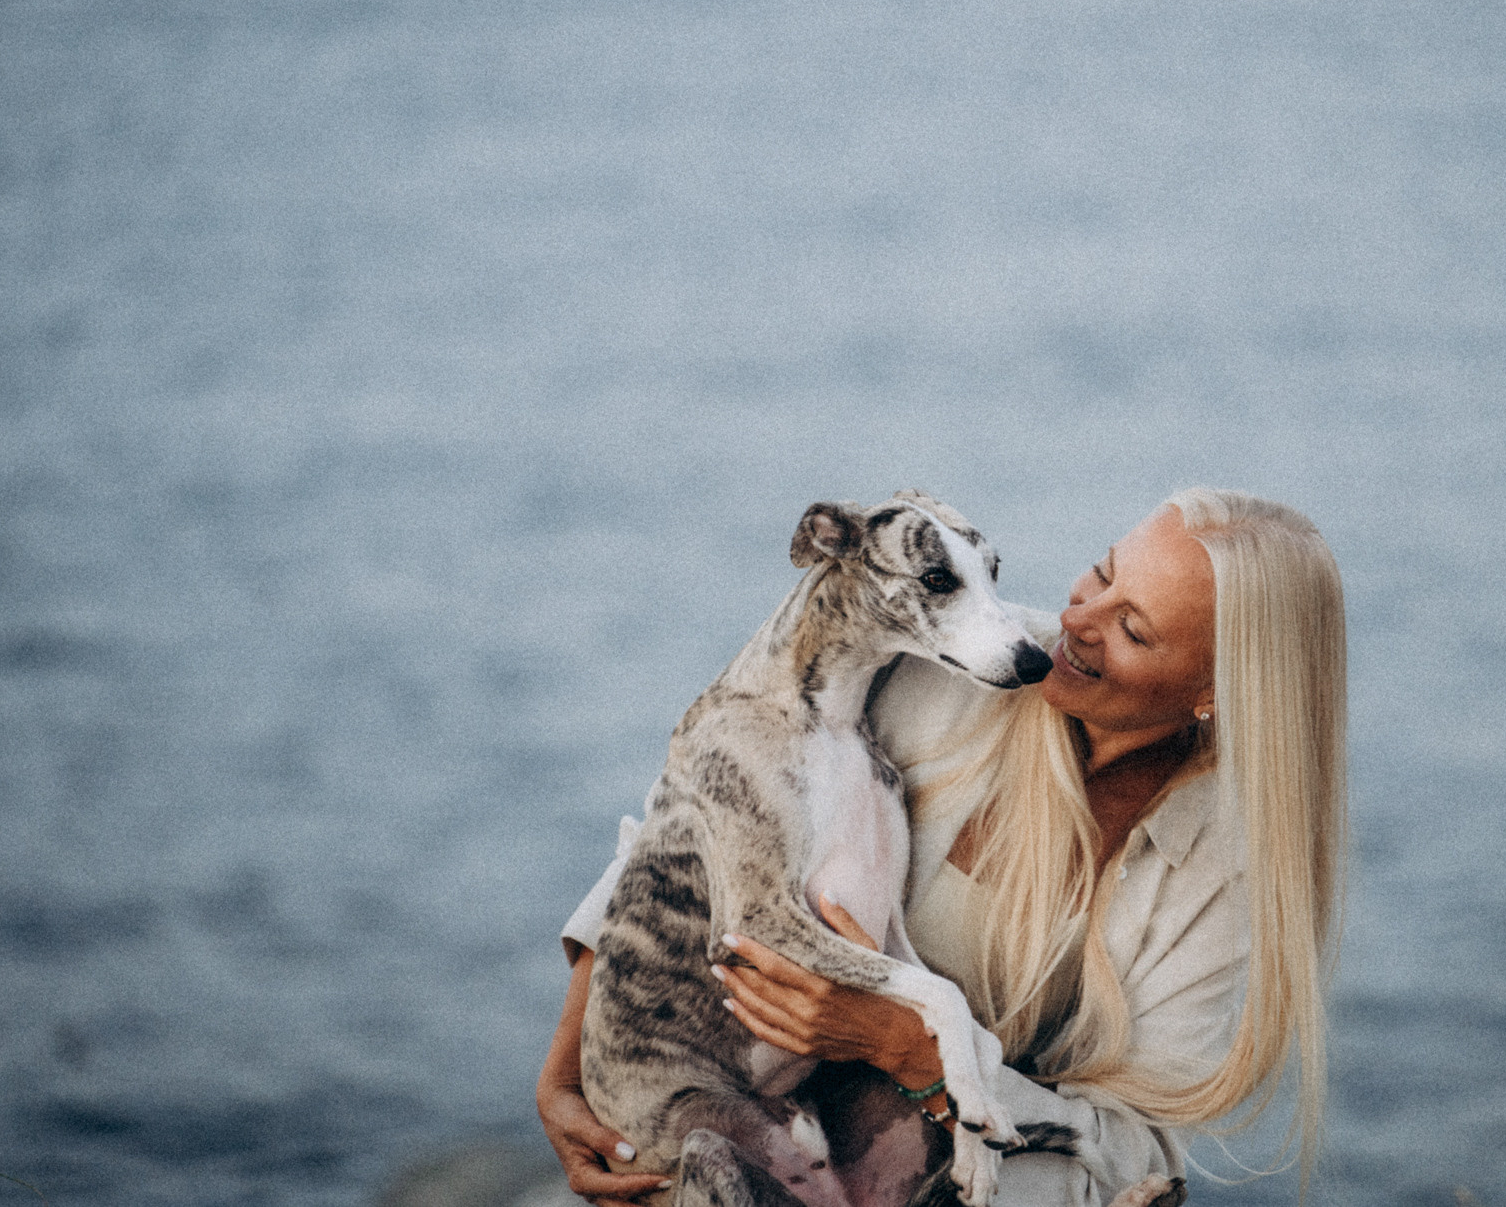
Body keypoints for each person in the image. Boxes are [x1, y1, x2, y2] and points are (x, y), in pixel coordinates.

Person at [537, 488, 1348, 1206]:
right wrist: (567, 1075)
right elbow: (696, 806)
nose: (1074, 621)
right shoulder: (957, 657)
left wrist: (906, 1047)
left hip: (949, 1172)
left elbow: (1137, 1154)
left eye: (1131, 627)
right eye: (1100, 574)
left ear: (1214, 690)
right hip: (742, 1112)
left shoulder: (1217, 868)